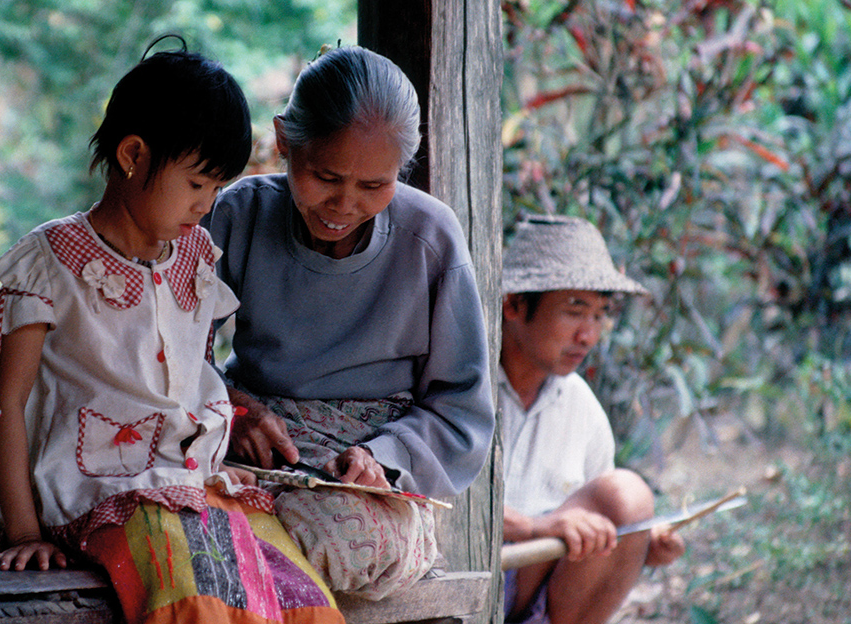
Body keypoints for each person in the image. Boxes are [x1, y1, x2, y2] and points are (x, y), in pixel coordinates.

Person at [0, 41, 344, 624]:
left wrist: (213, 462)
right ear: (133, 154)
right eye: (196, 184)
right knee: (199, 602)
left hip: (183, 487)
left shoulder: (195, 255)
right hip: (89, 496)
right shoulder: (49, 262)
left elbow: (192, 378)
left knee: (301, 598)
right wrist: (22, 532)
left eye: (217, 188)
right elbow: (4, 404)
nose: (207, 204)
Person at [203, 45, 495, 600]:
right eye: (325, 176)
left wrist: (381, 460)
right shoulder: (238, 215)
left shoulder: (429, 238)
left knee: (335, 541)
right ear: (285, 141)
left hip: (366, 485)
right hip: (249, 451)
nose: (344, 205)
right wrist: (233, 410)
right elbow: (172, 351)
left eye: (373, 186)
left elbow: (461, 407)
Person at [499, 214, 686, 624]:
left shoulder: (580, 406)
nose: (588, 335)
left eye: (600, 315)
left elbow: (603, 518)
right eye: (574, 310)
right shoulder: (460, 384)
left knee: (629, 499)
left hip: (534, 596)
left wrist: (639, 544)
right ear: (513, 303)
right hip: (465, 574)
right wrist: (534, 526)